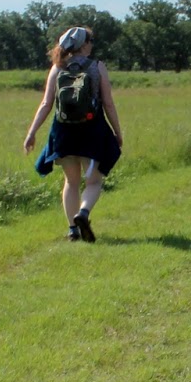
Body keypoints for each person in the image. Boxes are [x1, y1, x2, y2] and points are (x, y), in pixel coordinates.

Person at [24, 26, 123, 242]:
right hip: (92, 131)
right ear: (85, 44)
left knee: (71, 181)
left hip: (63, 132)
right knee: (94, 181)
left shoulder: (57, 68)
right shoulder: (97, 67)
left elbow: (46, 103)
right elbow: (108, 103)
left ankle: (72, 230)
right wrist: (117, 131)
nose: (92, 44)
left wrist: (31, 133)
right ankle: (84, 213)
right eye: (91, 40)